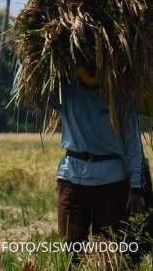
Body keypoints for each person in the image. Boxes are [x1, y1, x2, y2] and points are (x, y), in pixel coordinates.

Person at [52, 65, 145, 252]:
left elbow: (133, 145)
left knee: (110, 254)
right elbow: (26, 92)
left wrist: (136, 188)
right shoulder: (67, 90)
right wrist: (25, 60)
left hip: (112, 184)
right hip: (73, 179)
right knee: (71, 252)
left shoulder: (121, 96)